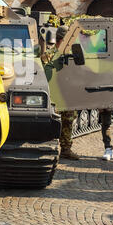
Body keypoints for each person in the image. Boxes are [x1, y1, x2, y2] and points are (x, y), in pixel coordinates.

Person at [41, 26, 80, 160]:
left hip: (67, 95)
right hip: (53, 96)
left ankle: (66, 149)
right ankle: (49, 147)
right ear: (62, 39)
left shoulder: (72, 54)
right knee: (52, 121)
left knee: (68, 121)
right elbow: (46, 75)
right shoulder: (49, 55)